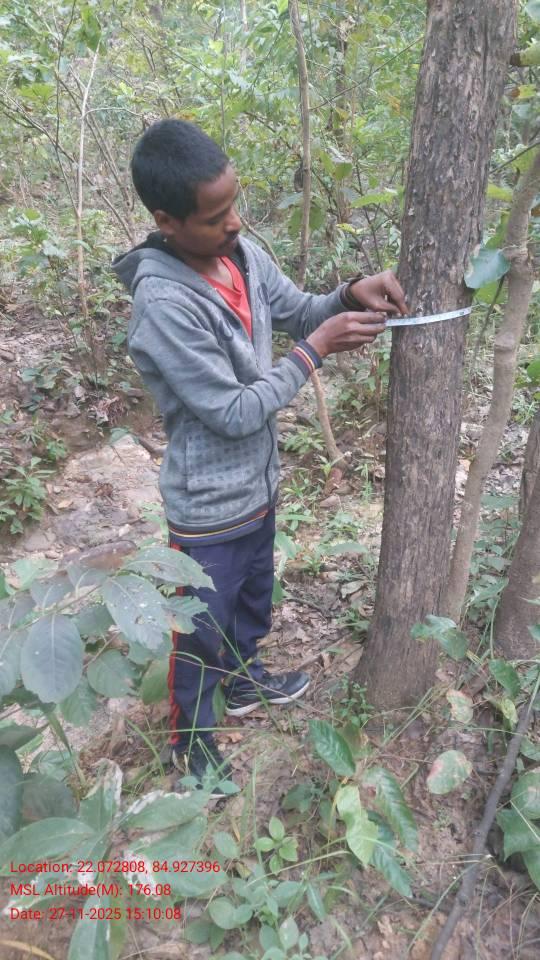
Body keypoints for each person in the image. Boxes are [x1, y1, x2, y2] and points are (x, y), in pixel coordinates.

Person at [113, 118, 407, 790]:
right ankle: (193, 744)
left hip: (258, 486)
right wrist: (314, 352)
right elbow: (234, 411)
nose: (235, 223)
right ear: (167, 222)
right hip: (207, 507)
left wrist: (348, 295)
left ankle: (245, 680)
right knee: (200, 627)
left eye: (235, 205)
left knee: (251, 598)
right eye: (215, 217)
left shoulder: (242, 256)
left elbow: (300, 309)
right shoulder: (163, 305)